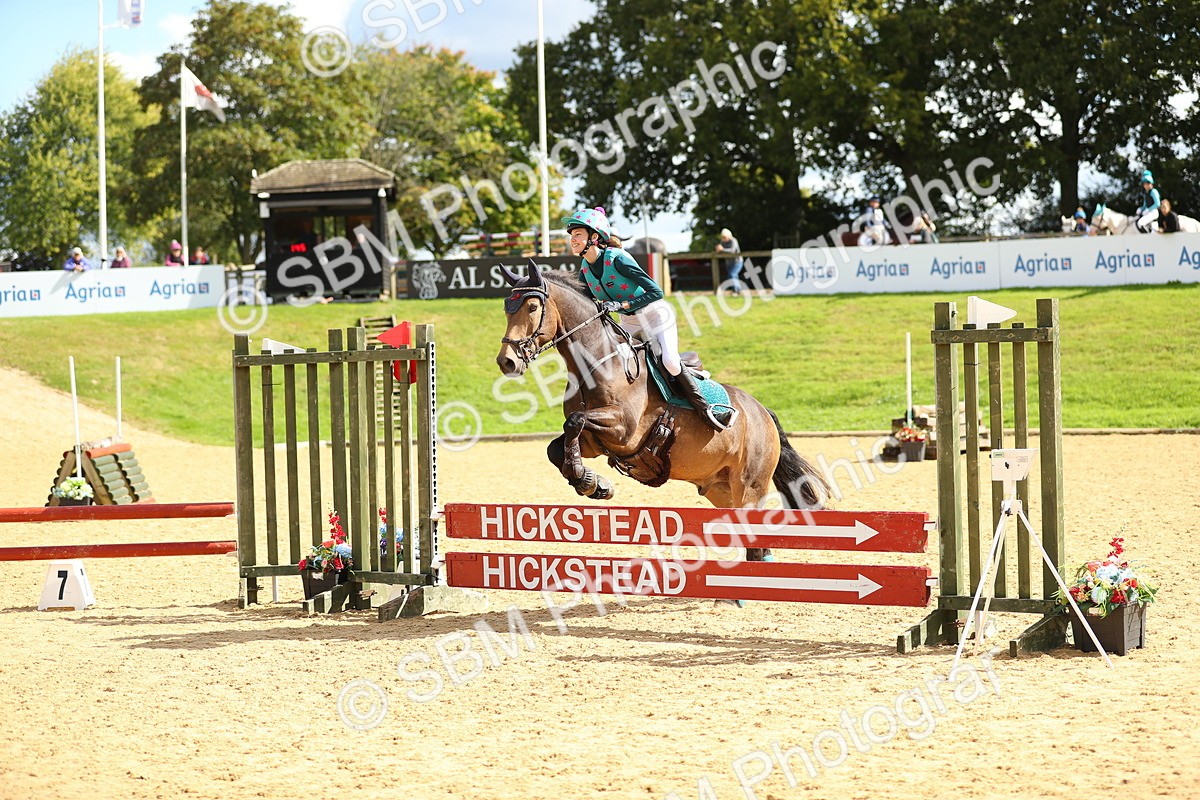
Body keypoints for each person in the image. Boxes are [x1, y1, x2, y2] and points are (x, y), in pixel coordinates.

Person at [563, 206, 730, 431]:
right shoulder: (585, 268)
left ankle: (705, 408)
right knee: (614, 362)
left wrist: (621, 305)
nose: (573, 240)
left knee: (669, 361)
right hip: (628, 323)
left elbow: (656, 291)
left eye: (578, 235)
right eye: (572, 236)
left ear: (594, 237)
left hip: (655, 314)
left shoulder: (617, 259)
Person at [715, 228, 744, 294]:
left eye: (725, 237)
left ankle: (735, 291)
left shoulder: (733, 240)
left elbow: (732, 251)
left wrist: (722, 249)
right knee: (733, 276)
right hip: (728, 262)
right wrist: (718, 250)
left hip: (737, 261)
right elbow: (720, 251)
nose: (724, 238)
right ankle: (738, 290)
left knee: (732, 274)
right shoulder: (722, 242)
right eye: (722, 237)